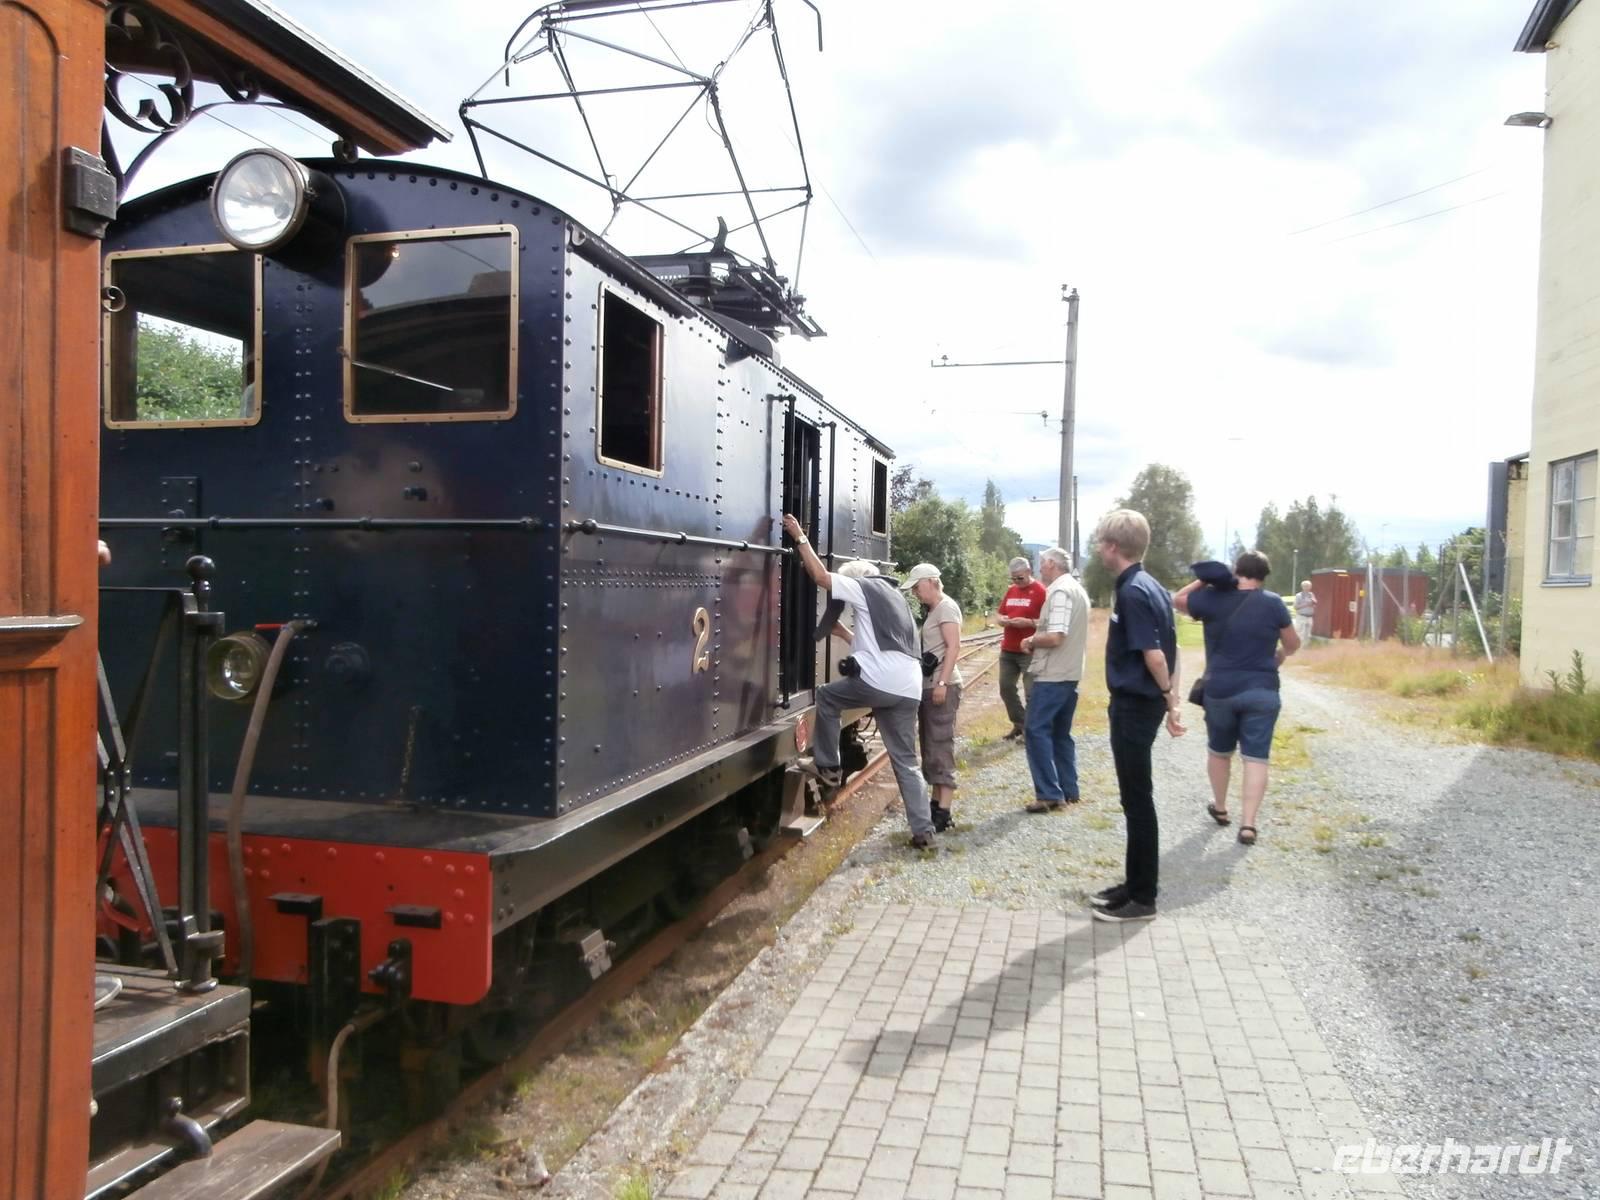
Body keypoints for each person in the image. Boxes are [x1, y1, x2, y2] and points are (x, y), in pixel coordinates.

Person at [781, 513, 936, 848]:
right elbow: (883, 648)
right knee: (907, 762)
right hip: (909, 687)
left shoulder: (863, 585)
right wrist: (843, 632)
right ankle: (924, 832)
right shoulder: (897, 599)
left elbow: (821, 576)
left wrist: (799, 537)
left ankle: (828, 767)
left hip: (880, 682)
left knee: (827, 697)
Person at [1088, 509, 1184, 924]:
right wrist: (1170, 700)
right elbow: (1173, 649)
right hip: (1141, 703)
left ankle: (1144, 898)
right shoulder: (1151, 586)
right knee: (1133, 799)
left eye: (1100, 543)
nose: (1098, 550)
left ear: (1113, 547)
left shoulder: (1132, 591)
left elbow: (1156, 655)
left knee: (1138, 800)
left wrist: (1168, 697)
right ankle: (1133, 884)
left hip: (1135, 705)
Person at [1174, 551, 1301, 847]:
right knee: (1256, 758)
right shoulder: (1273, 603)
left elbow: (1178, 599)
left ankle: (1220, 807)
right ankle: (1248, 825)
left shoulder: (1213, 599)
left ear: (1236, 571)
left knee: (1220, 752)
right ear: (1264, 575)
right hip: (1262, 691)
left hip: (1220, 690)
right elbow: (1293, 644)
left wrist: (1204, 580)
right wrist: (1278, 657)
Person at [1020, 546, 1090, 813]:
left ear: (1052, 564)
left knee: (1035, 729)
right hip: (1070, 673)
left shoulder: (1060, 592)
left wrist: (1031, 640)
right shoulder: (1077, 589)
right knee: (1060, 733)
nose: (1040, 568)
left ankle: (1049, 793)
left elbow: (1056, 636)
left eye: (1042, 563)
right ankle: (1069, 789)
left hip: (1053, 675)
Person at [902, 563, 962, 832]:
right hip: (930, 685)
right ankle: (936, 804)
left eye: (917, 586)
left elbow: (954, 646)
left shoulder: (946, 607)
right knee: (931, 744)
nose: (915, 592)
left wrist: (942, 682)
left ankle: (944, 811)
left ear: (931, 582)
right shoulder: (935, 610)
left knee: (940, 743)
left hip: (941, 685)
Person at [994, 556, 1047, 740]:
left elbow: (1047, 621)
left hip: (1029, 650)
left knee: (1031, 691)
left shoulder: (1040, 591)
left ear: (1029, 572)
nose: (1017, 581)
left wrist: (1028, 622)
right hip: (1008, 649)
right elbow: (1000, 613)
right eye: (1013, 578)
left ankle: (1030, 731)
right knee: (1006, 688)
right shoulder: (1011, 590)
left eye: (1020, 578)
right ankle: (1020, 723)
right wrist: (1002, 620)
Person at [1292, 579, 1316, 646]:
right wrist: (1306, 604)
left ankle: (1306, 648)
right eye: (1306, 586)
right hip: (1301, 617)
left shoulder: (1311, 594)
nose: (1308, 587)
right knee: (1300, 634)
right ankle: (1299, 648)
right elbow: (1295, 607)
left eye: (1309, 586)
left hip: (1310, 617)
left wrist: (1313, 604)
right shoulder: (1298, 595)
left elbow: (1315, 604)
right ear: (1302, 587)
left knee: (1308, 635)